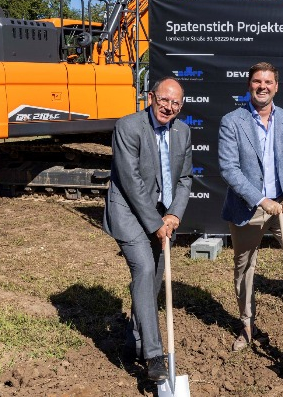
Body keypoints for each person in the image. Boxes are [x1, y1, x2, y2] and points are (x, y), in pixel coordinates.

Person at [218, 61, 283, 351]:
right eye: (257, 82)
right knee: (245, 266)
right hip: (248, 207)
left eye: (268, 82)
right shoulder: (232, 121)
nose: (262, 87)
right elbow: (229, 168)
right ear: (249, 85)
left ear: (276, 86)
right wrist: (261, 200)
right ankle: (247, 325)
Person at [103, 77, 193, 381]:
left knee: (152, 283)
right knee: (143, 269)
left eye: (175, 103)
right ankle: (155, 356)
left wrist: (174, 216)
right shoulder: (128, 127)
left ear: (181, 106)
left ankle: (135, 339)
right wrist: (155, 224)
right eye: (163, 100)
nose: (168, 107)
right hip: (128, 211)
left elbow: (184, 180)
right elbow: (131, 182)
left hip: (161, 216)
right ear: (151, 97)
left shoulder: (183, 132)